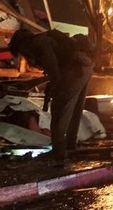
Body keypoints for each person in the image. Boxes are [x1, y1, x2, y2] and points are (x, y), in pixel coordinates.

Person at [8, 29, 94, 162]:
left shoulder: (37, 44)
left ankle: (58, 153)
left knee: (59, 109)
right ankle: (70, 146)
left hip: (75, 69)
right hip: (85, 66)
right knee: (75, 110)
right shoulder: (44, 39)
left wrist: (55, 88)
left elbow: (54, 69)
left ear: (22, 44)